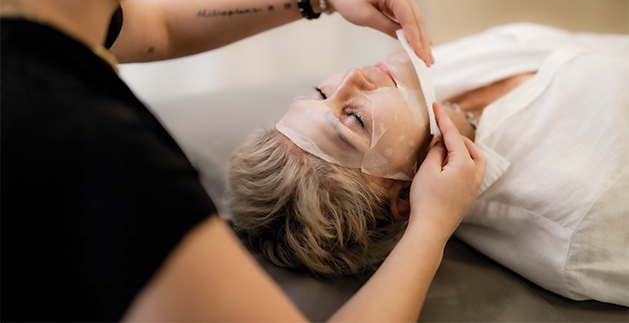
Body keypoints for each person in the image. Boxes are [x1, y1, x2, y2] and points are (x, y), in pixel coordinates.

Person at [1, 0, 486, 321]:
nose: (347, 78)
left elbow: (160, 27)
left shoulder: (36, 9)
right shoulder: (107, 161)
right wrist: (430, 227)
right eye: (348, 117)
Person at [226, 23, 628, 306]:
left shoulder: (423, 84)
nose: (349, 76)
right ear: (404, 195)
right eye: (354, 120)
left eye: (318, 94)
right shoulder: (579, 225)